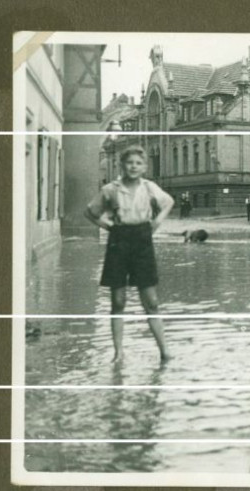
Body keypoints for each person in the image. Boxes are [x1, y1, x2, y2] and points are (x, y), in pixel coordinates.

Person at [85, 146, 174, 363]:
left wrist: (158, 221)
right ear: (122, 165)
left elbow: (168, 202)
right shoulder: (110, 189)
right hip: (118, 241)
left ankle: (165, 351)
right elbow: (90, 212)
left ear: (144, 167)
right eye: (129, 162)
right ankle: (118, 353)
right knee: (118, 300)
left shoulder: (149, 187)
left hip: (143, 240)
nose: (133, 167)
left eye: (138, 163)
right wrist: (108, 227)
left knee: (151, 300)